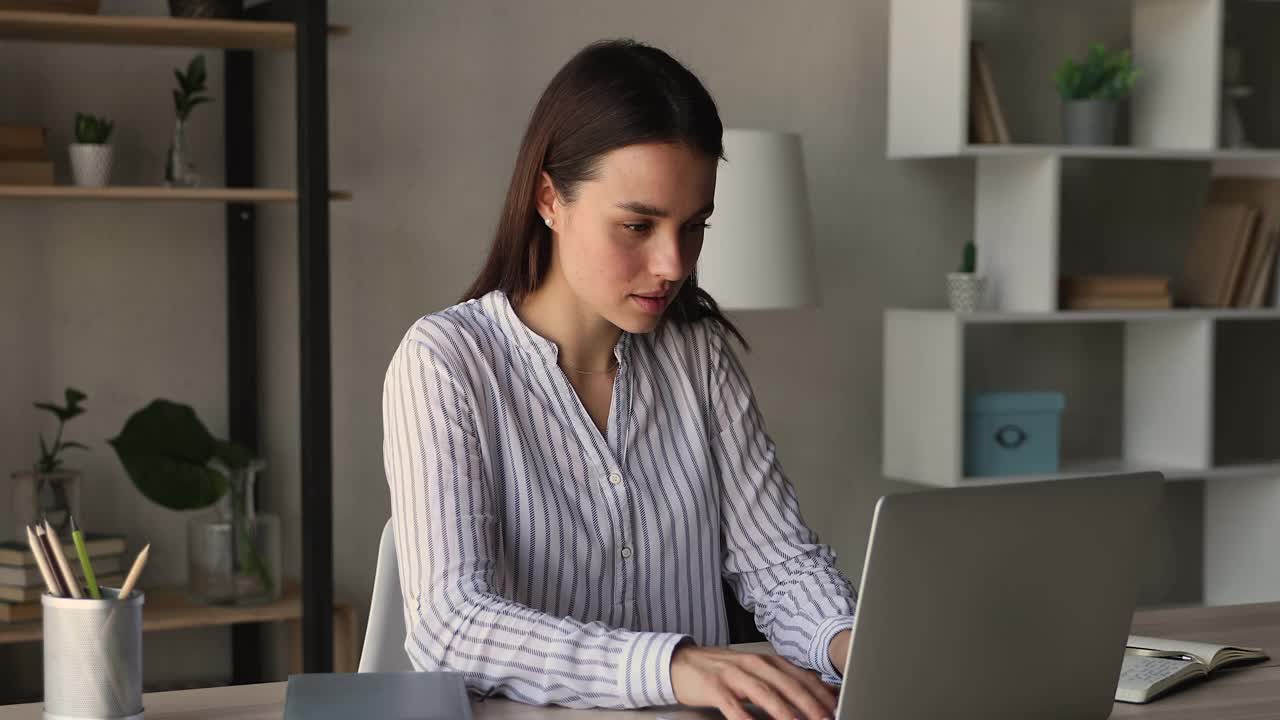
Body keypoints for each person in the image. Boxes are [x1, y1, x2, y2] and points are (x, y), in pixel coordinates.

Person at [382, 38, 857, 720]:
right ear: (550, 197)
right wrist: (673, 666)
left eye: (694, 227)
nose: (672, 263)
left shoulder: (699, 358)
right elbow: (451, 626)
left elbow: (779, 565)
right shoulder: (447, 362)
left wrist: (858, 646)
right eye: (637, 224)